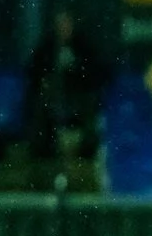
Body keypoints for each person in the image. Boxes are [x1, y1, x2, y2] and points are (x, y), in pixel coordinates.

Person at [26, 10, 109, 157]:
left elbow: (96, 72)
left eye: (67, 24)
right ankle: (42, 152)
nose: (64, 28)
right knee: (39, 105)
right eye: (61, 25)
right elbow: (34, 72)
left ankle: (88, 151)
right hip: (53, 95)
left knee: (91, 106)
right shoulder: (47, 47)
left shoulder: (83, 45)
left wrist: (76, 68)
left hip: (79, 94)